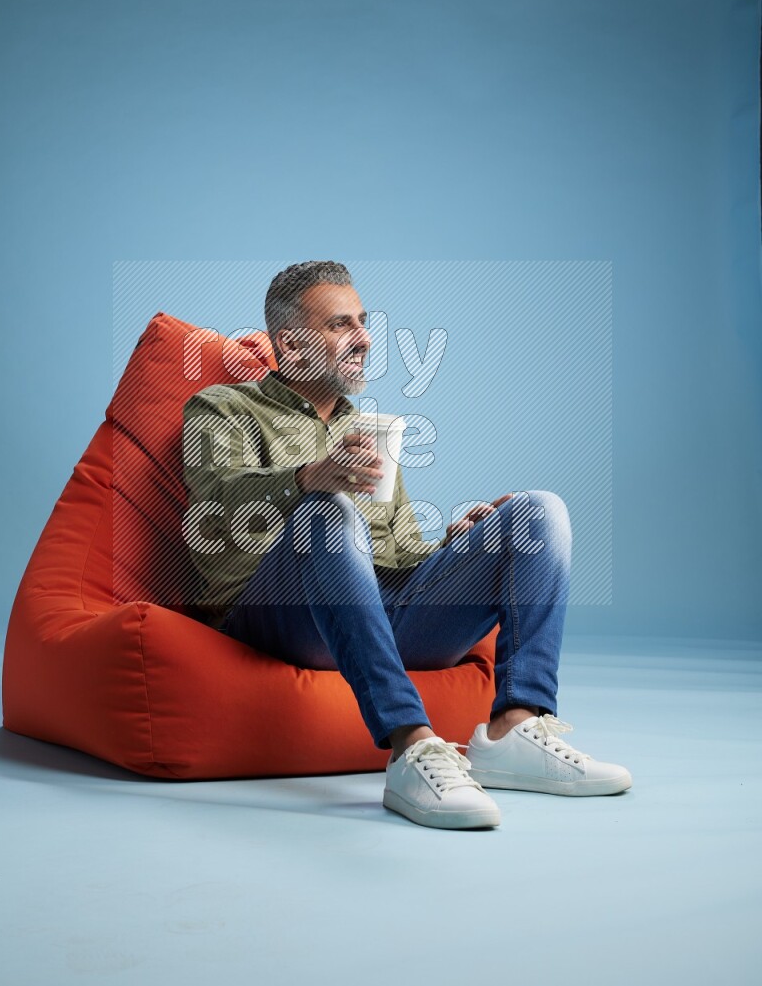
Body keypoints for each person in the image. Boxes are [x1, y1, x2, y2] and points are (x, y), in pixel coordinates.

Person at [182, 260, 632, 830]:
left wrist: (454, 548)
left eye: (364, 323)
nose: (365, 339)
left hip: (376, 618)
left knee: (538, 513)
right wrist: (306, 478)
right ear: (292, 346)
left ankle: (514, 728)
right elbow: (215, 504)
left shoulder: (369, 432)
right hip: (275, 617)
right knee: (327, 511)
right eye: (342, 325)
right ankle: (411, 745)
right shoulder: (222, 408)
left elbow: (398, 560)